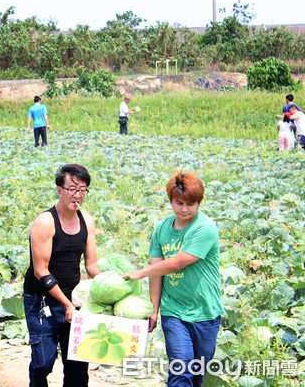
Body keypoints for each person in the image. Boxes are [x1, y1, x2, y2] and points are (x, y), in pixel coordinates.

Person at [123, 170, 224, 387]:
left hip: (205, 311)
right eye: (179, 203)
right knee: (180, 367)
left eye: (191, 204)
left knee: (197, 374)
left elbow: (177, 262)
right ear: (170, 201)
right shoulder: (162, 228)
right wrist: (154, 309)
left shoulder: (205, 229)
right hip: (174, 310)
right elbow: (157, 271)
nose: (185, 209)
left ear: (199, 203)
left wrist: (140, 273)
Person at [23, 164, 101, 387]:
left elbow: (92, 265)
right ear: (59, 190)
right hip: (42, 300)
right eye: (72, 189)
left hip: (74, 299)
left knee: (77, 366)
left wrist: (113, 284)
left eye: (83, 190)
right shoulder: (45, 222)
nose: (77, 195)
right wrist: (66, 304)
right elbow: (41, 270)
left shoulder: (87, 221)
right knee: (43, 363)